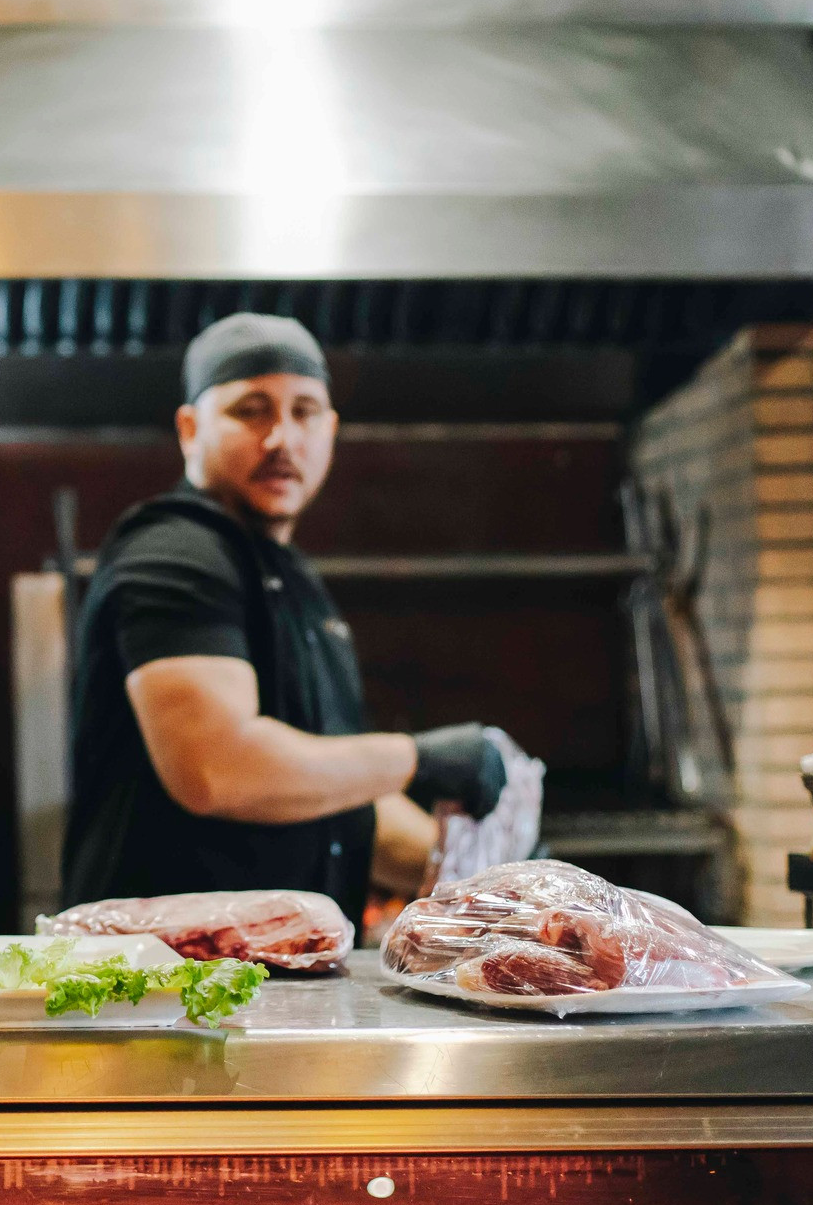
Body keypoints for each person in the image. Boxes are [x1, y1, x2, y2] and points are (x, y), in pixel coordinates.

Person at [61, 313, 509, 930]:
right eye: (251, 411)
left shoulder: (291, 579)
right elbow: (216, 769)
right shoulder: (173, 551)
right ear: (190, 429)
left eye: (305, 412)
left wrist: (491, 883)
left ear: (330, 429)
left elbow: (326, 791)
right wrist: (419, 759)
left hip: (275, 963)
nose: (282, 439)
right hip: (162, 970)